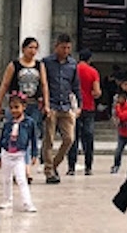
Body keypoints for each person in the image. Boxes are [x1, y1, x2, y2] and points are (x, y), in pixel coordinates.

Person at [0, 37, 48, 178]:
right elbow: (5, 84)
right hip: (15, 106)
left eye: (35, 48)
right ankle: (12, 167)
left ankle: (26, 169)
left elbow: (44, 85)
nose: (33, 51)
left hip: (33, 104)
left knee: (30, 136)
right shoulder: (14, 65)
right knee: (13, 136)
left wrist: (46, 104)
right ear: (23, 48)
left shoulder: (39, 65)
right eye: (30, 47)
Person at [40, 34, 79, 184]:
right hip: (52, 105)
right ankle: (49, 172)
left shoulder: (72, 64)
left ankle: (53, 165)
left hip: (66, 105)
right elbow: (43, 83)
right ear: (56, 46)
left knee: (69, 139)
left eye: (68, 48)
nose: (66, 51)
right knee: (49, 139)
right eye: (63, 47)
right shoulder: (46, 62)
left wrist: (79, 104)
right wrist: (45, 103)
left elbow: (75, 86)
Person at [0, 94, 38, 213]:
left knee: (21, 179)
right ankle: (7, 200)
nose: (14, 110)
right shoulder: (7, 123)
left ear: (23, 107)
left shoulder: (29, 123)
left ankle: (27, 203)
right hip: (6, 154)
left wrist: (34, 154)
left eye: (16, 107)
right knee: (6, 179)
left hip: (19, 155)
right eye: (11, 108)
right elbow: (1, 139)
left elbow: (33, 139)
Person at [67, 48, 102, 176]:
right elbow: (97, 92)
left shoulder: (73, 70)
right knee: (88, 138)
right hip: (88, 108)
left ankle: (71, 167)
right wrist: (91, 94)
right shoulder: (93, 72)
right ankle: (88, 167)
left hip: (74, 108)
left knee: (73, 138)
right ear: (89, 59)